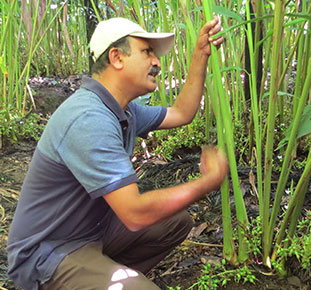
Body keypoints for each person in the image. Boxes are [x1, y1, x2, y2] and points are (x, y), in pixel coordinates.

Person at [7, 16, 227, 290]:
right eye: (147, 52)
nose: (157, 62)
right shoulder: (89, 118)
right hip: (48, 255)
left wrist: (200, 55)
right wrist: (205, 183)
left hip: (91, 233)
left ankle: (101, 275)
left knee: (175, 223)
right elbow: (135, 214)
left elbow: (182, 113)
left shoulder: (123, 110)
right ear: (117, 57)